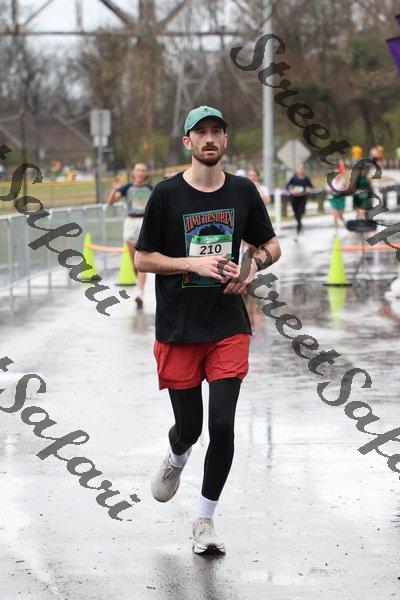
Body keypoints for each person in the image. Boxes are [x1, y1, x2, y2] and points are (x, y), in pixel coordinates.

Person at [134, 105, 281, 554]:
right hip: (178, 327)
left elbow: (270, 245)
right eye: (201, 132)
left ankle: (204, 520)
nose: (210, 138)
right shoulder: (165, 195)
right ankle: (176, 455)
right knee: (191, 427)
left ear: (226, 139)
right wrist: (191, 264)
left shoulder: (242, 190)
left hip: (227, 324)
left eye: (217, 130)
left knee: (222, 424)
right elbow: (142, 258)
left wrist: (251, 266)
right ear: (188, 142)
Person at [107, 163, 153, 308]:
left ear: (146, 173)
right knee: (134, 262)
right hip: (131, 222)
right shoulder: (127, 188)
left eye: (143, 170)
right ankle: (139, 286)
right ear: (134, 173)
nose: (140, 173)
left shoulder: (151, 189)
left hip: (145, 222)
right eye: (138, 170)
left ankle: (140, 292)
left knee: (142, 260)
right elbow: (111, 202)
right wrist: (115, 188)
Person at [286, 164, 314, 237]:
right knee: (296, 213)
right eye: (299, 169)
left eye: (302, 168)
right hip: (295, 198)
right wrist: (292, 190)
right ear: (297, 170)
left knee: (300, 212)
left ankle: (299, 226)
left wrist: (308, 189)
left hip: (302, 198)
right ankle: (299, 224)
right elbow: (287, 186)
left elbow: (311, 187)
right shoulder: (293, 178)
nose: (301, 170)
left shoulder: (306, 179)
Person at [327, 159, 347, 228]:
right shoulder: (331, 181)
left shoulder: (342, 180)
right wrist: (331, 191)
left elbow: (345, 189)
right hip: (334, 197)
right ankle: (335, 224)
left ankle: (342, 220)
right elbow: (328, 190)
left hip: (341, 197)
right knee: (335, 211)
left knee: (340, 213)